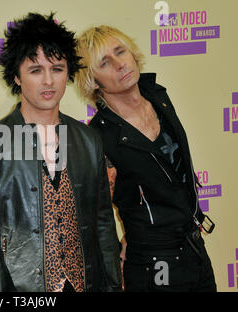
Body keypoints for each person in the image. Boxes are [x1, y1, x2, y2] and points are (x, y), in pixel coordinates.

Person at [0, 12, 122, 292]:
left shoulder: (88, 139)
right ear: (17, 77)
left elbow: (103, 226)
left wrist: (113, 285)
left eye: (57, 69)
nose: (48, 80)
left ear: (68, 73)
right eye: (36, 70)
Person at [75, 25, 216, 291]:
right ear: (93, 81)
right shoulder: (99, 137)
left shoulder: (158, 96)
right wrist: (126, 245)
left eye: (121, 51)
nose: (120, 64)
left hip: (195, 249)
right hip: (153, 263)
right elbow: (94, 216)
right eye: (105, 62)